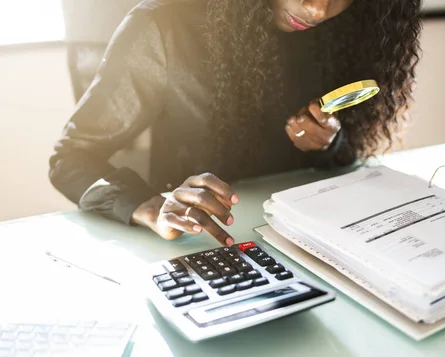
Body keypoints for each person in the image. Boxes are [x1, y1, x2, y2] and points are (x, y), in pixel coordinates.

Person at [49, 0, 422, 246]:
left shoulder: (356, 25)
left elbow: (349, 160)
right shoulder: (164, 27)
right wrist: (148, 206)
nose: (317, 8)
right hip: (201, 248)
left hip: (317, 246)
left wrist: (330, 146)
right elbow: (71, 158)